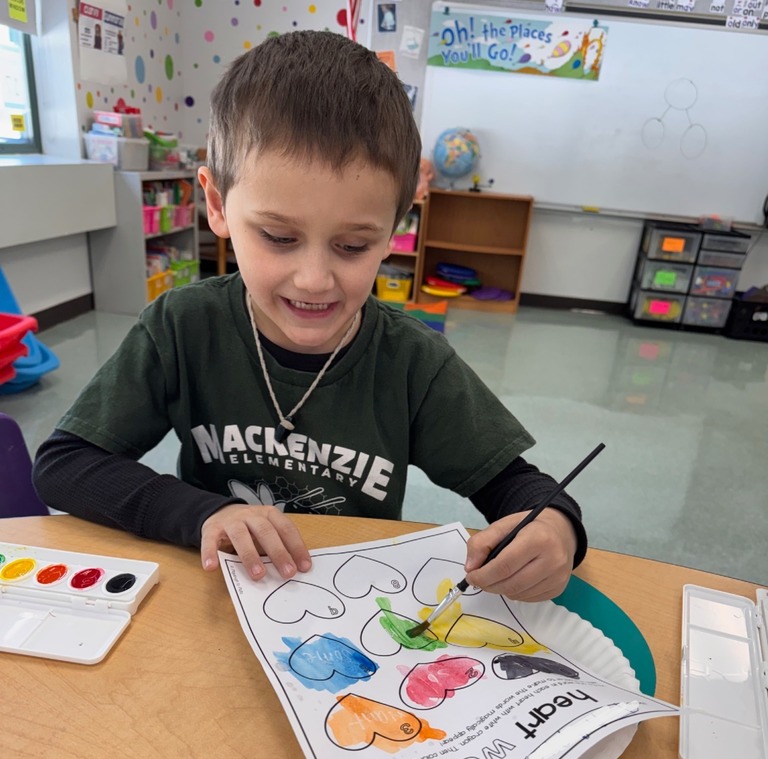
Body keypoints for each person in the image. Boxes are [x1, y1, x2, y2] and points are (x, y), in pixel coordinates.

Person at [33, 30, 587, 604]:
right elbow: (64, 464)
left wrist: (556, 529)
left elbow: (519, 486)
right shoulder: (182, 327)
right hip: (218, 598)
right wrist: (201, 513)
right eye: (278, 236)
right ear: (218, 205)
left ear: (394, 231)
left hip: (352, 612)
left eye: (352, 246)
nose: (314, 280)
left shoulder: (412, 362)